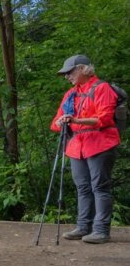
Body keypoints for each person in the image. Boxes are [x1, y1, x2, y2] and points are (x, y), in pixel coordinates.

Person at [51, 55, 120, 244]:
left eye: (70, 72)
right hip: (77, 146)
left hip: (100, 143)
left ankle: (101, 231)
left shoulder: (102, 88)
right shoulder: (70, 94)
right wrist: (62, 121)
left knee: (100, 187)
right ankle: (83, 227)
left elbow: (104, 119)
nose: (67, 77)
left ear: (82, 69)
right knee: (82, 187)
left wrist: (75, 120)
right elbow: (55, 124)